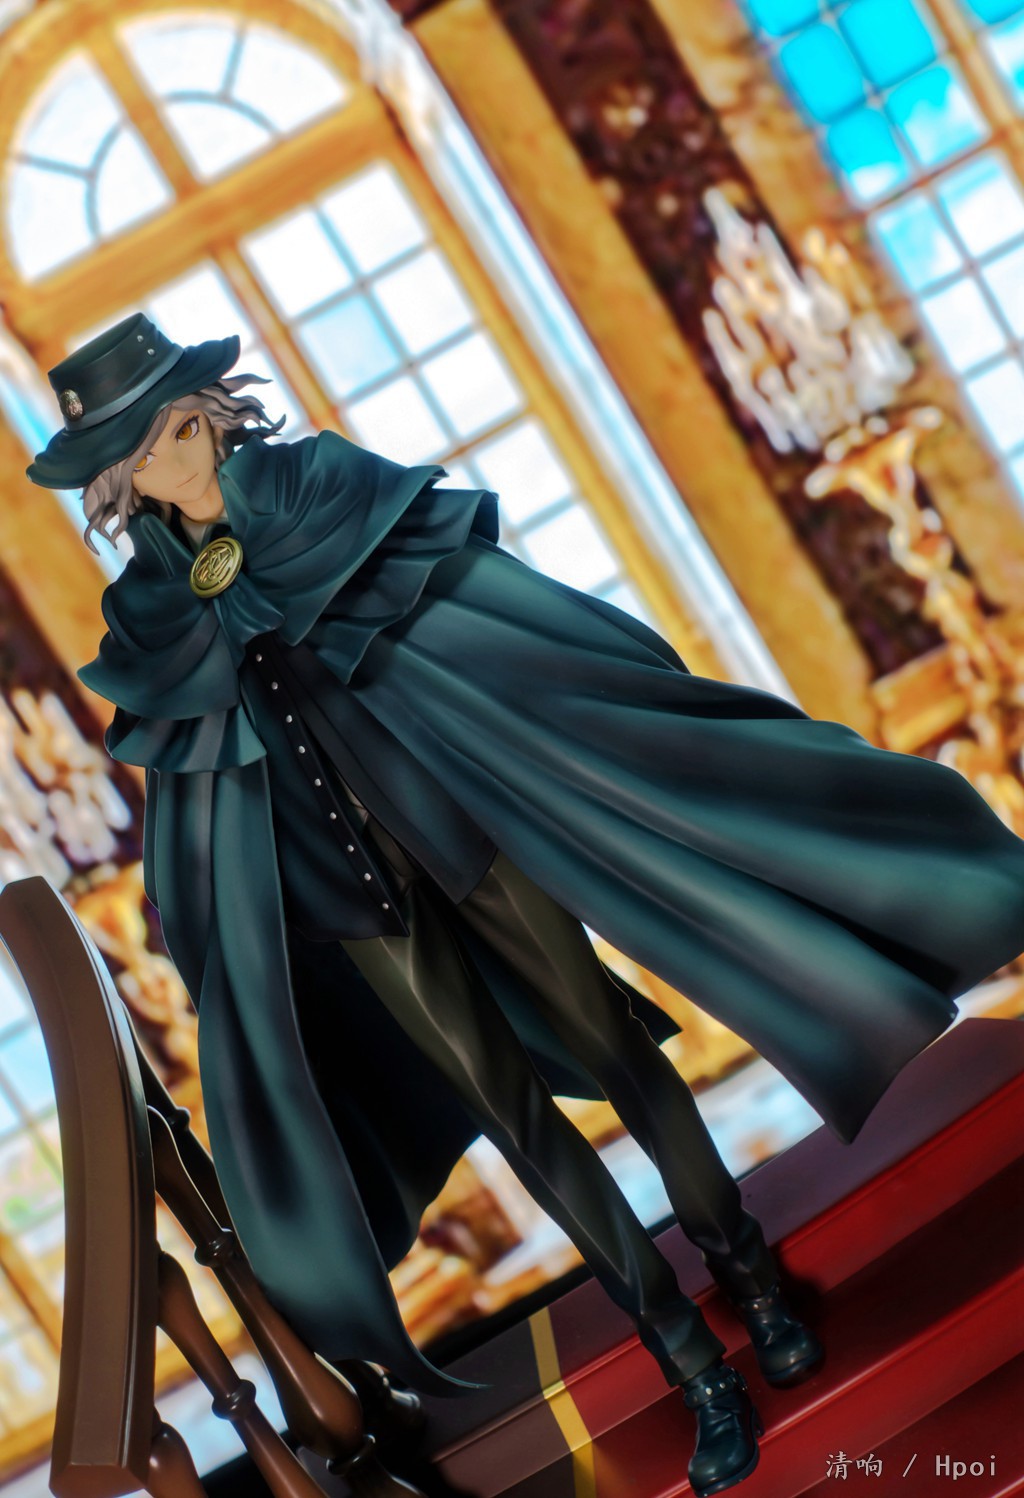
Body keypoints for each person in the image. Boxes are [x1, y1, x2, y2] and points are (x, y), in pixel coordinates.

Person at [27, 314, 1024, 1497]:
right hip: (348, 897)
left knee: (610, 1045)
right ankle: (689, 1359)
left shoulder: (315, 485)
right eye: (136, 454)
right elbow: (194, 796)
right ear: (120, 478)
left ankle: (747, 1273)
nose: (164, 458)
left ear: (202, 413)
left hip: (463, 829)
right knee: (519, 1117)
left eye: (170, 430)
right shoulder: (149, 612)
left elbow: (477, 612)